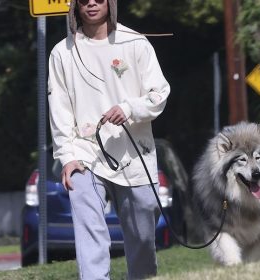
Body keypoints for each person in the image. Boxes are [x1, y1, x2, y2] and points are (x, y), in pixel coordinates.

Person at [47, 0, 170, 278]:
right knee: (89, 229)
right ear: (75, 6)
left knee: (142, 233)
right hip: (85, 153)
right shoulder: (61, 53)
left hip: (134, 154)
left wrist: (128, 109)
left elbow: (158, 93)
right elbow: (60, 111)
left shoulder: (136, 43)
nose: (91, 2)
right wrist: (67, 157)